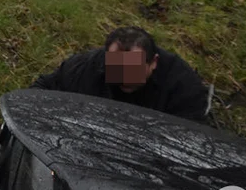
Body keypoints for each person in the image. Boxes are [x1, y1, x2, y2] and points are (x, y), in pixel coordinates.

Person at [32, 26, 210, 122]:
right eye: (116, 67)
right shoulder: (84, 68)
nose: (125, 77)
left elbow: (192, 137)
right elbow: (41, 90)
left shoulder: (183, 86)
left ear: (153, 63)